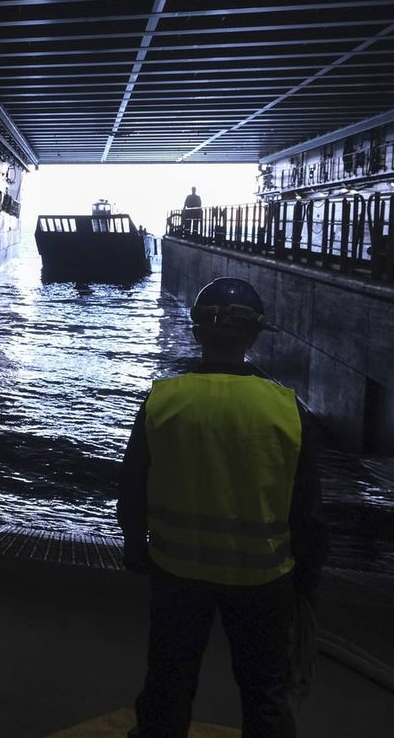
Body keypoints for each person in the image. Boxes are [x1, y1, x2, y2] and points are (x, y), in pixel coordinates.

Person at [117, 277, 327, 738]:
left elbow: (133, 486)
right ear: (254, 337)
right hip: (264, 580)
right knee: (265, 692)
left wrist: (136, 547)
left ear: (197, 333)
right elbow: (306, 512)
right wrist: (306, 582)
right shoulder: (288, 410)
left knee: (168, 684)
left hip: (177, 571)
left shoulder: (162, 400)